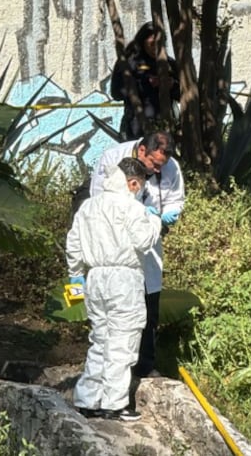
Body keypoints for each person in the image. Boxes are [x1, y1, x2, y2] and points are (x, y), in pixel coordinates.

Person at [68, 157, 162, 422]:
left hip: (94, 278)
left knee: (99, 340)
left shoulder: (88, 206)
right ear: (133, 183)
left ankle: (87, 399)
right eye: (140, 186)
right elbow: (143, 241)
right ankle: (114, 403)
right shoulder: (131, 207)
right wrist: (154, 222)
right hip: (124, 278)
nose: (141, 190)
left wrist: (75, 280)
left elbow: (73, 245)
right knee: (123, 341)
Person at [89, 131, 184, 377]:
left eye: (160, 166)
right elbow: (100, 201)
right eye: (153, 163)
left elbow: (175, 198)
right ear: (142, 151)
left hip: (148, 245)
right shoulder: (112, 159)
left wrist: (166, 216)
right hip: (116, 246)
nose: (155, 170)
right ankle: (111, 369)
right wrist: (140, 214)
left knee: (148, 309)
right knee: (116, 314)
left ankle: (144, 366)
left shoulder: (170, 167)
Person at [110, 22, 181, 140]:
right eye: (152, 43)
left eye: (160, 43)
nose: (156, 48)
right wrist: (144, 84)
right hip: (136, 128)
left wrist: (171, 85)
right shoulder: (129, 63)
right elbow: (116, 93)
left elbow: (184, 95)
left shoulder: (170, 64)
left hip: (167, 128)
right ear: (143, 41)